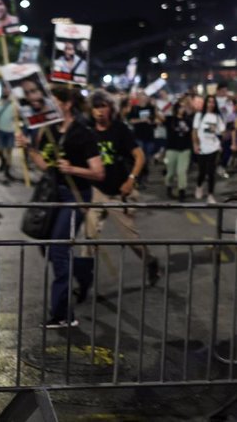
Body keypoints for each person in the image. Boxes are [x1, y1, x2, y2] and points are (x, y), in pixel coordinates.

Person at [16, 86, 103, 328]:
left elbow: (98, 172)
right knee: (49, 245)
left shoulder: (83, 132)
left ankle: (64, 314)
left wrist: (73, 169)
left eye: (52, 101)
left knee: (57, 249)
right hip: (53, 193)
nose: (47, 106)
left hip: (76, 196)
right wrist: (28, 148)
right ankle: (83, 272)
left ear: (66, 105)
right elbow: (45, 166)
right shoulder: (50, 129)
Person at [84, 90, 160, 288]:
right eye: (95, 107)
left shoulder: (120, 130)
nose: (99, 111)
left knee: (131, 238)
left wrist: (131, 179)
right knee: (89, 237)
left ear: (111, 109)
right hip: (96, 191)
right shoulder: (87, 131)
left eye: (103, 106)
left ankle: (150, 261)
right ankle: (83, 280)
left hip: (119, 191)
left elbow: (140, 156)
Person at [161, 93, 194, 201]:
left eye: (183, 107)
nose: (182, 109)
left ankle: (181, 192)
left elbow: (192, 132)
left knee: (181, 171)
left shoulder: (189, 120)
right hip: (172, 148)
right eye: (180, 107)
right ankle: (169, 187)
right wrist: (171, 103)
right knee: (170, 172)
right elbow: (159, 115)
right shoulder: (170, 119)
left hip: (185, 149)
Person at [192, 95, 225, 204]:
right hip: (202, 148)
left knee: (211, 172)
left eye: (213, 102)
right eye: (209, 102)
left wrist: (222, 139)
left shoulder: (217, 117)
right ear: (205, 103)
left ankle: (210, 194)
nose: (211, 104)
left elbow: (222, 132)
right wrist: (195, 144)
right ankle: (199, 186)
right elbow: (194, 131)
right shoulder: (199, 115)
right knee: (202, 171)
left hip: (213, 147)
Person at [127, 92, 157, 188]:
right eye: (142, 97)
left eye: (145, 97)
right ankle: (138, 178)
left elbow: (155, 120)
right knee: (140, 158)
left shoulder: (151, 108)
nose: (143, 99)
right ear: (138, 98)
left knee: (147, 158)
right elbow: (131, 120)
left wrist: (153, 119)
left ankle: (144, 177)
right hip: (138, 136)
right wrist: (142, 120)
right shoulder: (135, 108)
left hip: (149, 136)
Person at [0, 86, 16, 181]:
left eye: (8, 90)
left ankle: (7, 171)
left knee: (9, 152)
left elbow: (19, 115)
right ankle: (3, 161)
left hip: (11, 131)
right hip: (0, 130)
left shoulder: (15, 104)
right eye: (5, 90)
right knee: (0, 151)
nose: (6, 91)